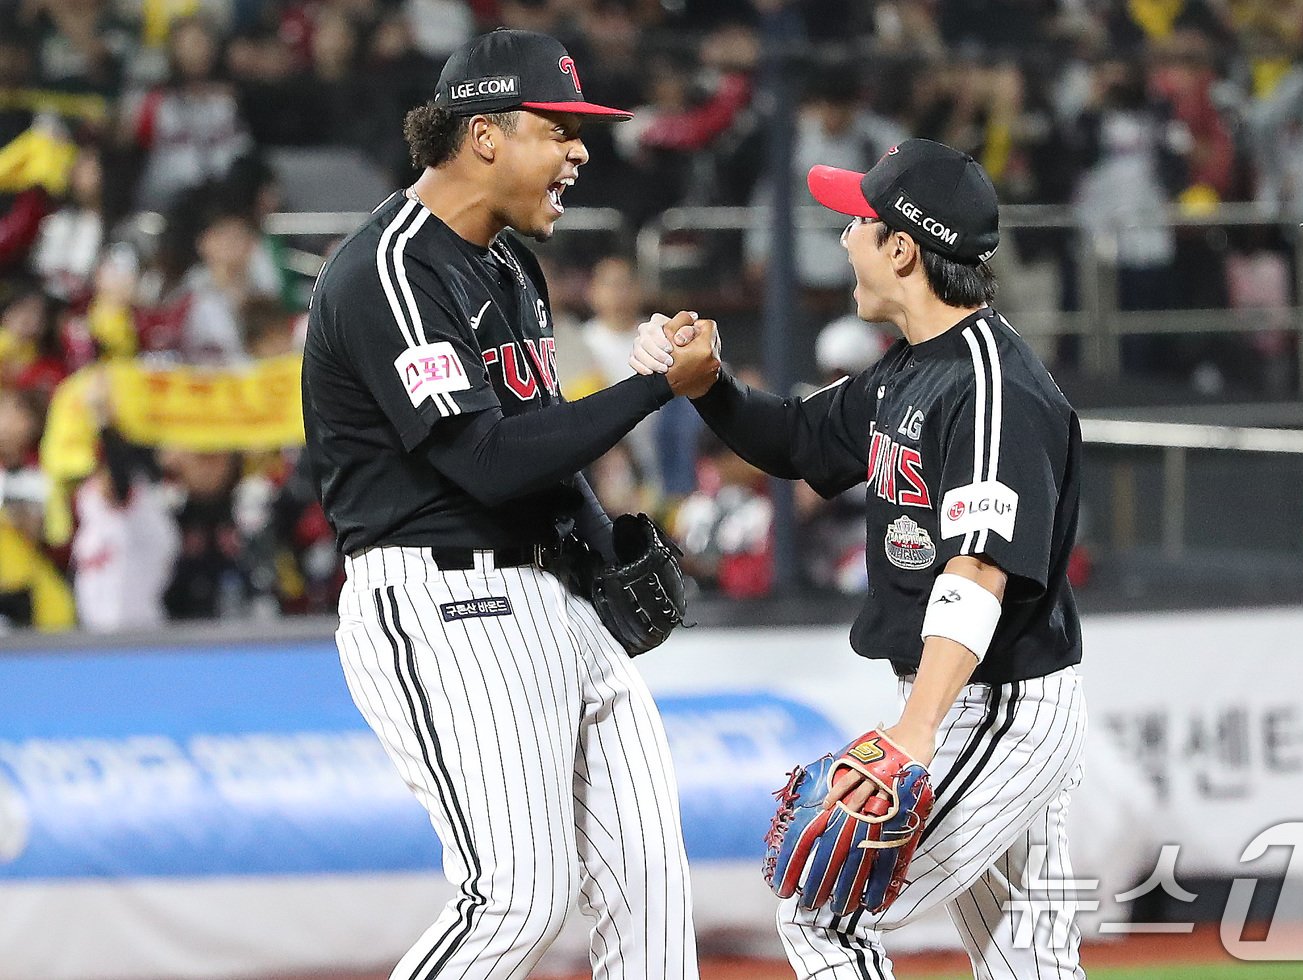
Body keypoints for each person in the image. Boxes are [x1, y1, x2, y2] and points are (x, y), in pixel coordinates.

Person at [300, 28, 718, 980]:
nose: (580, 150)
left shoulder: (508, 266)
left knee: (650, 882)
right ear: (483, 135)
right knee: (517, 896)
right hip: (445, 602)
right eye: (558, 128)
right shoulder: (389, 267)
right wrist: (656, 382)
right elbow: (485, 461)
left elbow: (538, 445)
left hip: (554, 596)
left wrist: (605, 547)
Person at [636, 139, 1088, 979]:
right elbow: (803, 441)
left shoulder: (993, 385)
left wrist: (917, 732)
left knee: (822, 916)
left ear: (903, 249)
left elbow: (978, 568)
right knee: (1029, 965)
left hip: (993, 707)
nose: (844, 237)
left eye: (858, 221)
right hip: (969, 698)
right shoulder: (912, 367)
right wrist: (708, 385)